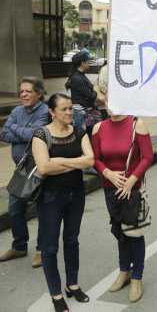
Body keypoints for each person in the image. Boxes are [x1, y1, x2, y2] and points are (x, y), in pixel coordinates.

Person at [32, 93, 95, 312]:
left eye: (71, 109)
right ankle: (56, 294)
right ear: (52, 112)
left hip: (76, 194)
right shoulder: (41, 135)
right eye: (64, 109)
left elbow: (91, 160)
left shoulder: (79, 131)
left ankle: (73, 284)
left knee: (72, 240)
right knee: (49, 247)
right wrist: (76, 163)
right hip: (50, 198)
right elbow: (44, 168)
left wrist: (60, 161)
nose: (69, 113)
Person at [92, 113, 154, 302]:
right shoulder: (98, 127)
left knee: (134, 233)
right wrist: (107, 173)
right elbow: (95, 159)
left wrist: (131, 181)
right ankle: (124, 271)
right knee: (120, 231)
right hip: (110, 189)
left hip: (132, 190)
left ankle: (137, 277)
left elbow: (147, 156)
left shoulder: (137, 124)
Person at [0, 77, 48, 266]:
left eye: (28, 91)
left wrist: (14, 128)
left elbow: (36, 135)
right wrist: (22, 130)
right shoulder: (16, 111)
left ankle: (42, 249)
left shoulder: (45, 111)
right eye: (21, 92)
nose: (24, 94)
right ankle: (19, 246)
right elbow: (3, 134)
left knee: (42, 210)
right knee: (14, 208)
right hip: (21, 169)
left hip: (40, 168)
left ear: (38, 93)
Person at [65, 50, 102, 134]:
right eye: (88, 61)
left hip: (86, 112)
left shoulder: (80, 75)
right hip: (81, 114)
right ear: (82, 63)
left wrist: (94, 89)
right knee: (83, 136)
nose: (90, 63)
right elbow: (91, 95)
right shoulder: (77, 78)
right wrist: (96, 90)